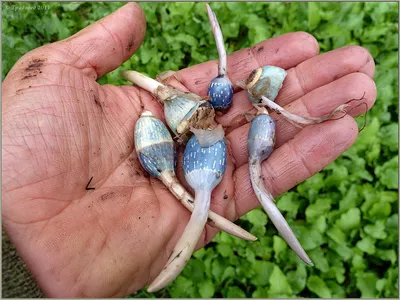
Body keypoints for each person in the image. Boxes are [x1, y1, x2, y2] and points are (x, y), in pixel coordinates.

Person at [2, 2, 376, 298]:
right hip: (175, 147)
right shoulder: (183, 124)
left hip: (188, 146)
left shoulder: (217, 110)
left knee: (232, 178)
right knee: (215, 188)